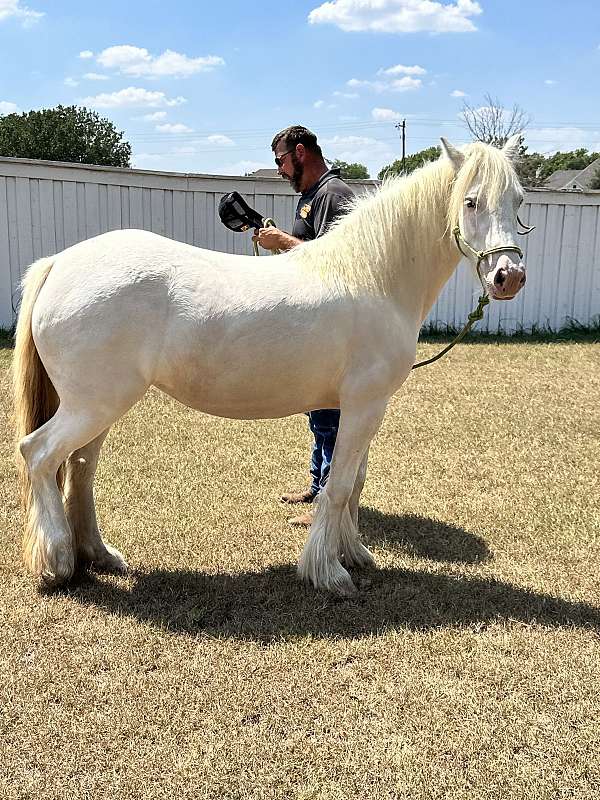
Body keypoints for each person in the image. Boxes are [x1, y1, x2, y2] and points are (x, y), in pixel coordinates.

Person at [255, 125, 355, 526]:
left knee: (331, 419)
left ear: (301, 152)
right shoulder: (310, 198)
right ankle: (318, 486)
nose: (279, 170)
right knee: (319, 417)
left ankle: (328, 503)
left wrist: (282, 241)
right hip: (310, 329)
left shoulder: (336, 195)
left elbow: (339, 261)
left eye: (280, 160)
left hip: (331, 331)